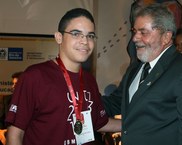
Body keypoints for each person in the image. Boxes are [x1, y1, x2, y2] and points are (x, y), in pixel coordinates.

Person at [5, 8, 121, 145]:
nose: (85, 41)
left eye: (90, 35)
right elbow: (15, 134)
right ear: (59, 37)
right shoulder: (35, 76)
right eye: (76, 34)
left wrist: (140, 123)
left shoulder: (89, 80)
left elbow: (99, 122)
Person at [102, 3, 182, 145]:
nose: (135, 38)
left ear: (166, 37)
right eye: (134, 31)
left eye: (143, 32)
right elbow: (115, 103)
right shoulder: (135, 68)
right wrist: (78, 101)